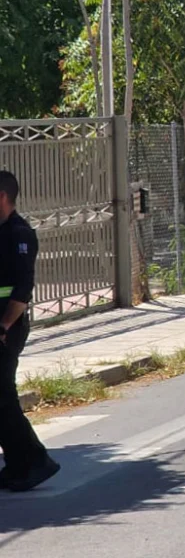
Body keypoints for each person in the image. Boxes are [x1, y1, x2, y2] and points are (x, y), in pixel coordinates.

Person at [0, 171, 60, 491]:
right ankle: (18, 464)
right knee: (2, 399)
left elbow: (23, 287)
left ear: (2, 197)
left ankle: (35, 460)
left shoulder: (19, 234)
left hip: (7, 327)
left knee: (3, 398)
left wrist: (5, 324)